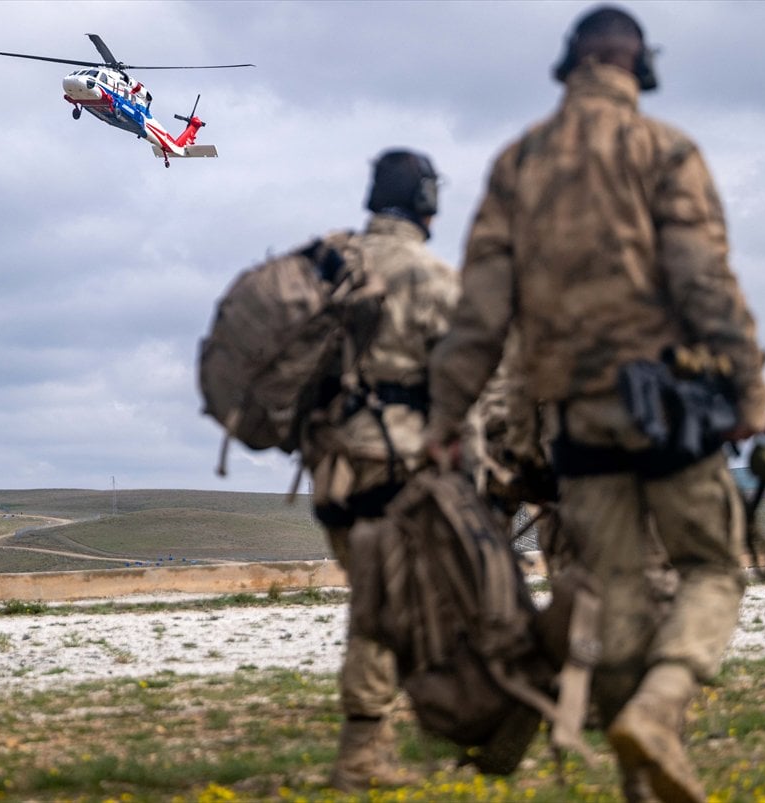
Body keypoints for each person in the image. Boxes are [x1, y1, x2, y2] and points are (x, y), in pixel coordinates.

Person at [423, 6, 765, 802]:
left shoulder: (519, 164)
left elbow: (478, 314)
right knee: (711, 567)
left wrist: (447, 418)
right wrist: (747, 386)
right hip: (668, 406)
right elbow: (703, 280)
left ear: (567, 66)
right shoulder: (666, 149)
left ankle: (639, 784)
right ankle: (656, 709)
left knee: (609, 592)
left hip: (575, 420)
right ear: (639, 67)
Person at [300, 149, 459, 792]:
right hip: (393, 468)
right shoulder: (430, 276)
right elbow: (467, 379)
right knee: (384, 605)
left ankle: (394, 737)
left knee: (394, 602)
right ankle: (361, 756)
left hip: (330, 469)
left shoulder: (328, 264)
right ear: (428, 201)